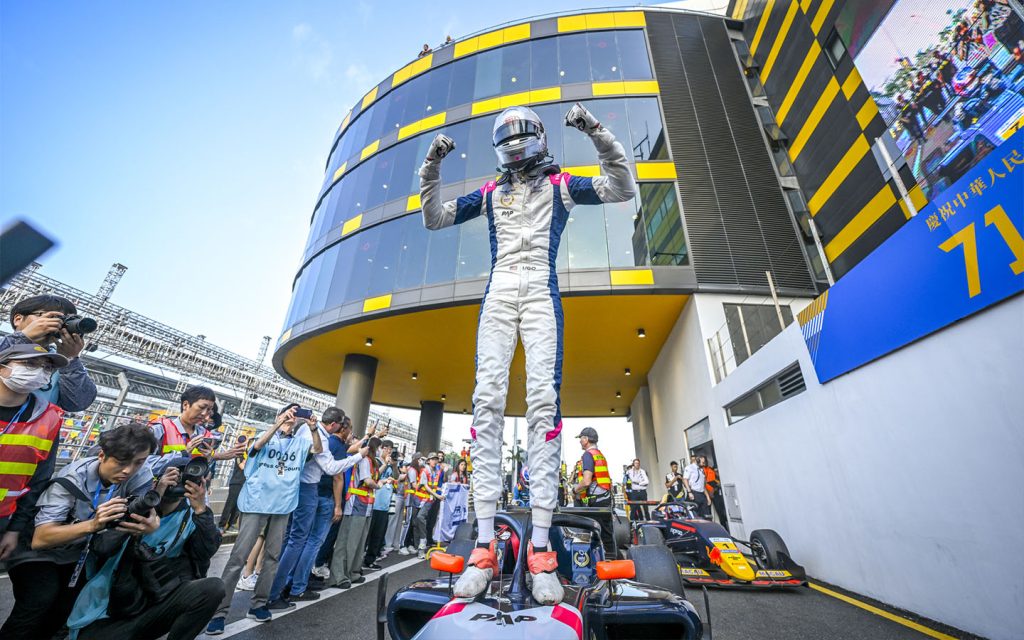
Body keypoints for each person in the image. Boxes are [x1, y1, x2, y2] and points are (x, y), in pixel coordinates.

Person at [421, 101, 635, 605]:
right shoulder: (492, 192)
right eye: (507, 135)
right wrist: (431, 167)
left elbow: (621, 186)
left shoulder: (562, 186)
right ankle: (481, 547)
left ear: (539, 136)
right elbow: (434, 218)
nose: (514, 142)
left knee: (543, 405)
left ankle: (541, 552)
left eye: (522, 133)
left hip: (540, 291)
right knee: (486, 402)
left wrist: (594, 130)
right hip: (498, 295)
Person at [1, 423, 157, 639]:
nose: (129, 470)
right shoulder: (71, 479)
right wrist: (93, 525)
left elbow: (143, 509)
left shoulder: (141, 474)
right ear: (102, 455)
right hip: (37, 553)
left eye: (138, 462)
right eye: (121, 462)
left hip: (78, 555)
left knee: (65, 609)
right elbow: (41, 538)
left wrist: (150, 524)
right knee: (38, 601)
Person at [66, 461, 224, 640]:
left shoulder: (189, 517)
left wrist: (201, 509)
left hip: (152, 602)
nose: (178, 480)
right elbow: (102, 547)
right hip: (108, 609)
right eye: (173, 475)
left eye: (185, 477)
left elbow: (206, 552)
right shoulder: (135, 505)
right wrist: (150, 504)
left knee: (213, 588)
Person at [206, 404, 328, 634]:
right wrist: (278, 424)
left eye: (296, 415)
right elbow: (257, 447)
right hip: (256, 503)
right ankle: (219, 613)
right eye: (289, 413)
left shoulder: (300, 443)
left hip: (282, 506)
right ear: (279, 416)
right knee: (237, 558)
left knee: (272, 556)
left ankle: (259, 604)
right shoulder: (265, 437)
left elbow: (318, 450)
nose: (292, 418)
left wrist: (313, 428)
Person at [268, 407, 367, 608]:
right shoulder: (317, 436)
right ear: (335, 425)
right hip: (307, 488)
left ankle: (283, 586)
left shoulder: (308, 431)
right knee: (299, 540)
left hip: (295, 487)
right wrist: (359, 456)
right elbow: (332, 469)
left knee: (292, 539)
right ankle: (280, 590)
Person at [0, 345, 69, 564]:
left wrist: (15, 529)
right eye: (30, 364)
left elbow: (39, 479)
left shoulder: (48, 419)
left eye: (46, 367)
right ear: (2, 368)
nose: (39, 372)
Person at [2, 294, 98, 411]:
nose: (56, 324)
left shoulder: (59, 361)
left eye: (63, 320)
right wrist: (23, 337)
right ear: (18, 319)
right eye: (50, 316)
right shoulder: (4, 343)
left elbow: (78, 403)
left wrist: (71, 359)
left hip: (28, 426)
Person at [149, 386, 244, 475]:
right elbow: (146, 467)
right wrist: (183, 453)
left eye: (209, 410)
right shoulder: (160, 429)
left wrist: (208, 459)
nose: (204, 414)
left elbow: (204, 471)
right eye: (202, 407)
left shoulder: (206, 436)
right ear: (185, 405)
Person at [329, 437, 381, 588]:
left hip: (365, 506)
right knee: (347, 542)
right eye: (378, 448)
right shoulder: (364, 460)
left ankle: (353, 572)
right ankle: (339, 576)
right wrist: (379, 485)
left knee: (358, 542)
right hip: (356, 505)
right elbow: (367, 481)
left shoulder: (372, 462)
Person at [363, 439, 396, 571]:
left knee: (378, 534)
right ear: (381, 448)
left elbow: (397, 477)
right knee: (368, 534)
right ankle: (361, 558)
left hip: (385, 504)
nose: (388, 451)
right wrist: (386, 464)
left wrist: (393, 465)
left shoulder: (391, 463)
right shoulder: (375, 460)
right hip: (374, 502)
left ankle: (371, 559)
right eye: (386, 448)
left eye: (390, 449)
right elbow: (374, 476)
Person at [412, 452, 444, 558]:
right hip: (419, 498)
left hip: (428, 500)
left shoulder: (436, 471)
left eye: (436, 459)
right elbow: (426, 486)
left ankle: (422, 544)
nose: (435, 461)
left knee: (420, 518)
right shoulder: (425, 471)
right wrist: (437, 496)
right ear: (428, 461)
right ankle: (418, 545)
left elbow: (432, 487)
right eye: (433, 459)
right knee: (416, 522)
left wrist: (437, 495)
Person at [218, 439, 248, 533]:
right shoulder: (240, 454)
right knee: (230, 504)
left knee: (238, 506)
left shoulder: (249, 454)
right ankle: (222, 525)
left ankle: (231, 524)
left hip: (245, 483)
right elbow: (242, 466)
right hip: (236, 482)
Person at [701, 456, 729, 533]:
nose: (703, 463)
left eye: (704, 461)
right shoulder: (700, 471)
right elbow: (703, 484)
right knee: (708, 514)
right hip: (706, 494)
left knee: (721, 512)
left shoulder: (711, 469)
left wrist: (716, 484)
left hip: (715, 492)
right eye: (702, 462)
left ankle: (726, 529)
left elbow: (717, 480)